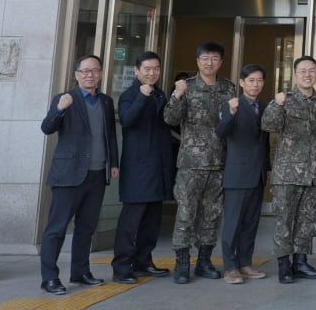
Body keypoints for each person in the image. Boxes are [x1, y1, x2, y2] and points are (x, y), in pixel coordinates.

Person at [39, 54, 120, 295]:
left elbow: (110, 136)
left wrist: (113, 162)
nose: (90, 75)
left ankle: (80, 272)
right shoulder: (66, 99)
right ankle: (49, 278)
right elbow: (47, 127)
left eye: (94, 70)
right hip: (69, 175)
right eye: (85, 71)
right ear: (76, 75)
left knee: (87, 228)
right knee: (57, 228)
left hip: (96, 174)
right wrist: (60, 110)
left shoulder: (105, 101)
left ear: (101, 74)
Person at [162, 41, 236, 283]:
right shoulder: (187, 87)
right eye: (205, 58)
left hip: (218, 163)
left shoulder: (228, 88)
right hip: (191, 164)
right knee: (185, 214)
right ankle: (182, 264)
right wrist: (177, 95)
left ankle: (204, 261)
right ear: (197, 61)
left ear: (221, 62)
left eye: (215, 58)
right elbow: (170, 118)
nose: (210, 62)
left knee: (211, 216)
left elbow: (231, 124)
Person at [261, 55, 316, 284]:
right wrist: (276, 103)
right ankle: (283, 265)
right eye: (302, 71)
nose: (307, 74)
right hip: (287, 174)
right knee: (284, 221)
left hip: (313, 174)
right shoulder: (284, 100)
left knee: (307, 221)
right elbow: (268, 125)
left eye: (311, 70)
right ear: (295, 74)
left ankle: (300, 261)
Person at [112, 51, 174, 284]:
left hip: (158, 166)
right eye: (147, 68)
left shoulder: (160, 94)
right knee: (131, 221)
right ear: (136, 71)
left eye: (156, 68)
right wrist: (141, 97)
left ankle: (143, 261)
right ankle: (121, 267)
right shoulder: (130, 95)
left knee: (152, 220)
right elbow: (127, 120)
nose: (152, 73)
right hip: (138, 168)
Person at [216, 63, 270, 284]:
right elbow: (221, 132)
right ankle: (230, 267)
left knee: (250, 223)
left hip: (257, 174)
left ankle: (245, 263)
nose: (255, 84)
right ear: (242, 83)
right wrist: (230, 112)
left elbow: (264, 143)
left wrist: (267, 168)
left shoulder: (265, 107)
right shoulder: (232, 105)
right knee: (233, 223)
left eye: (259, 80)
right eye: (250, 80)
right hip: (237, 174)